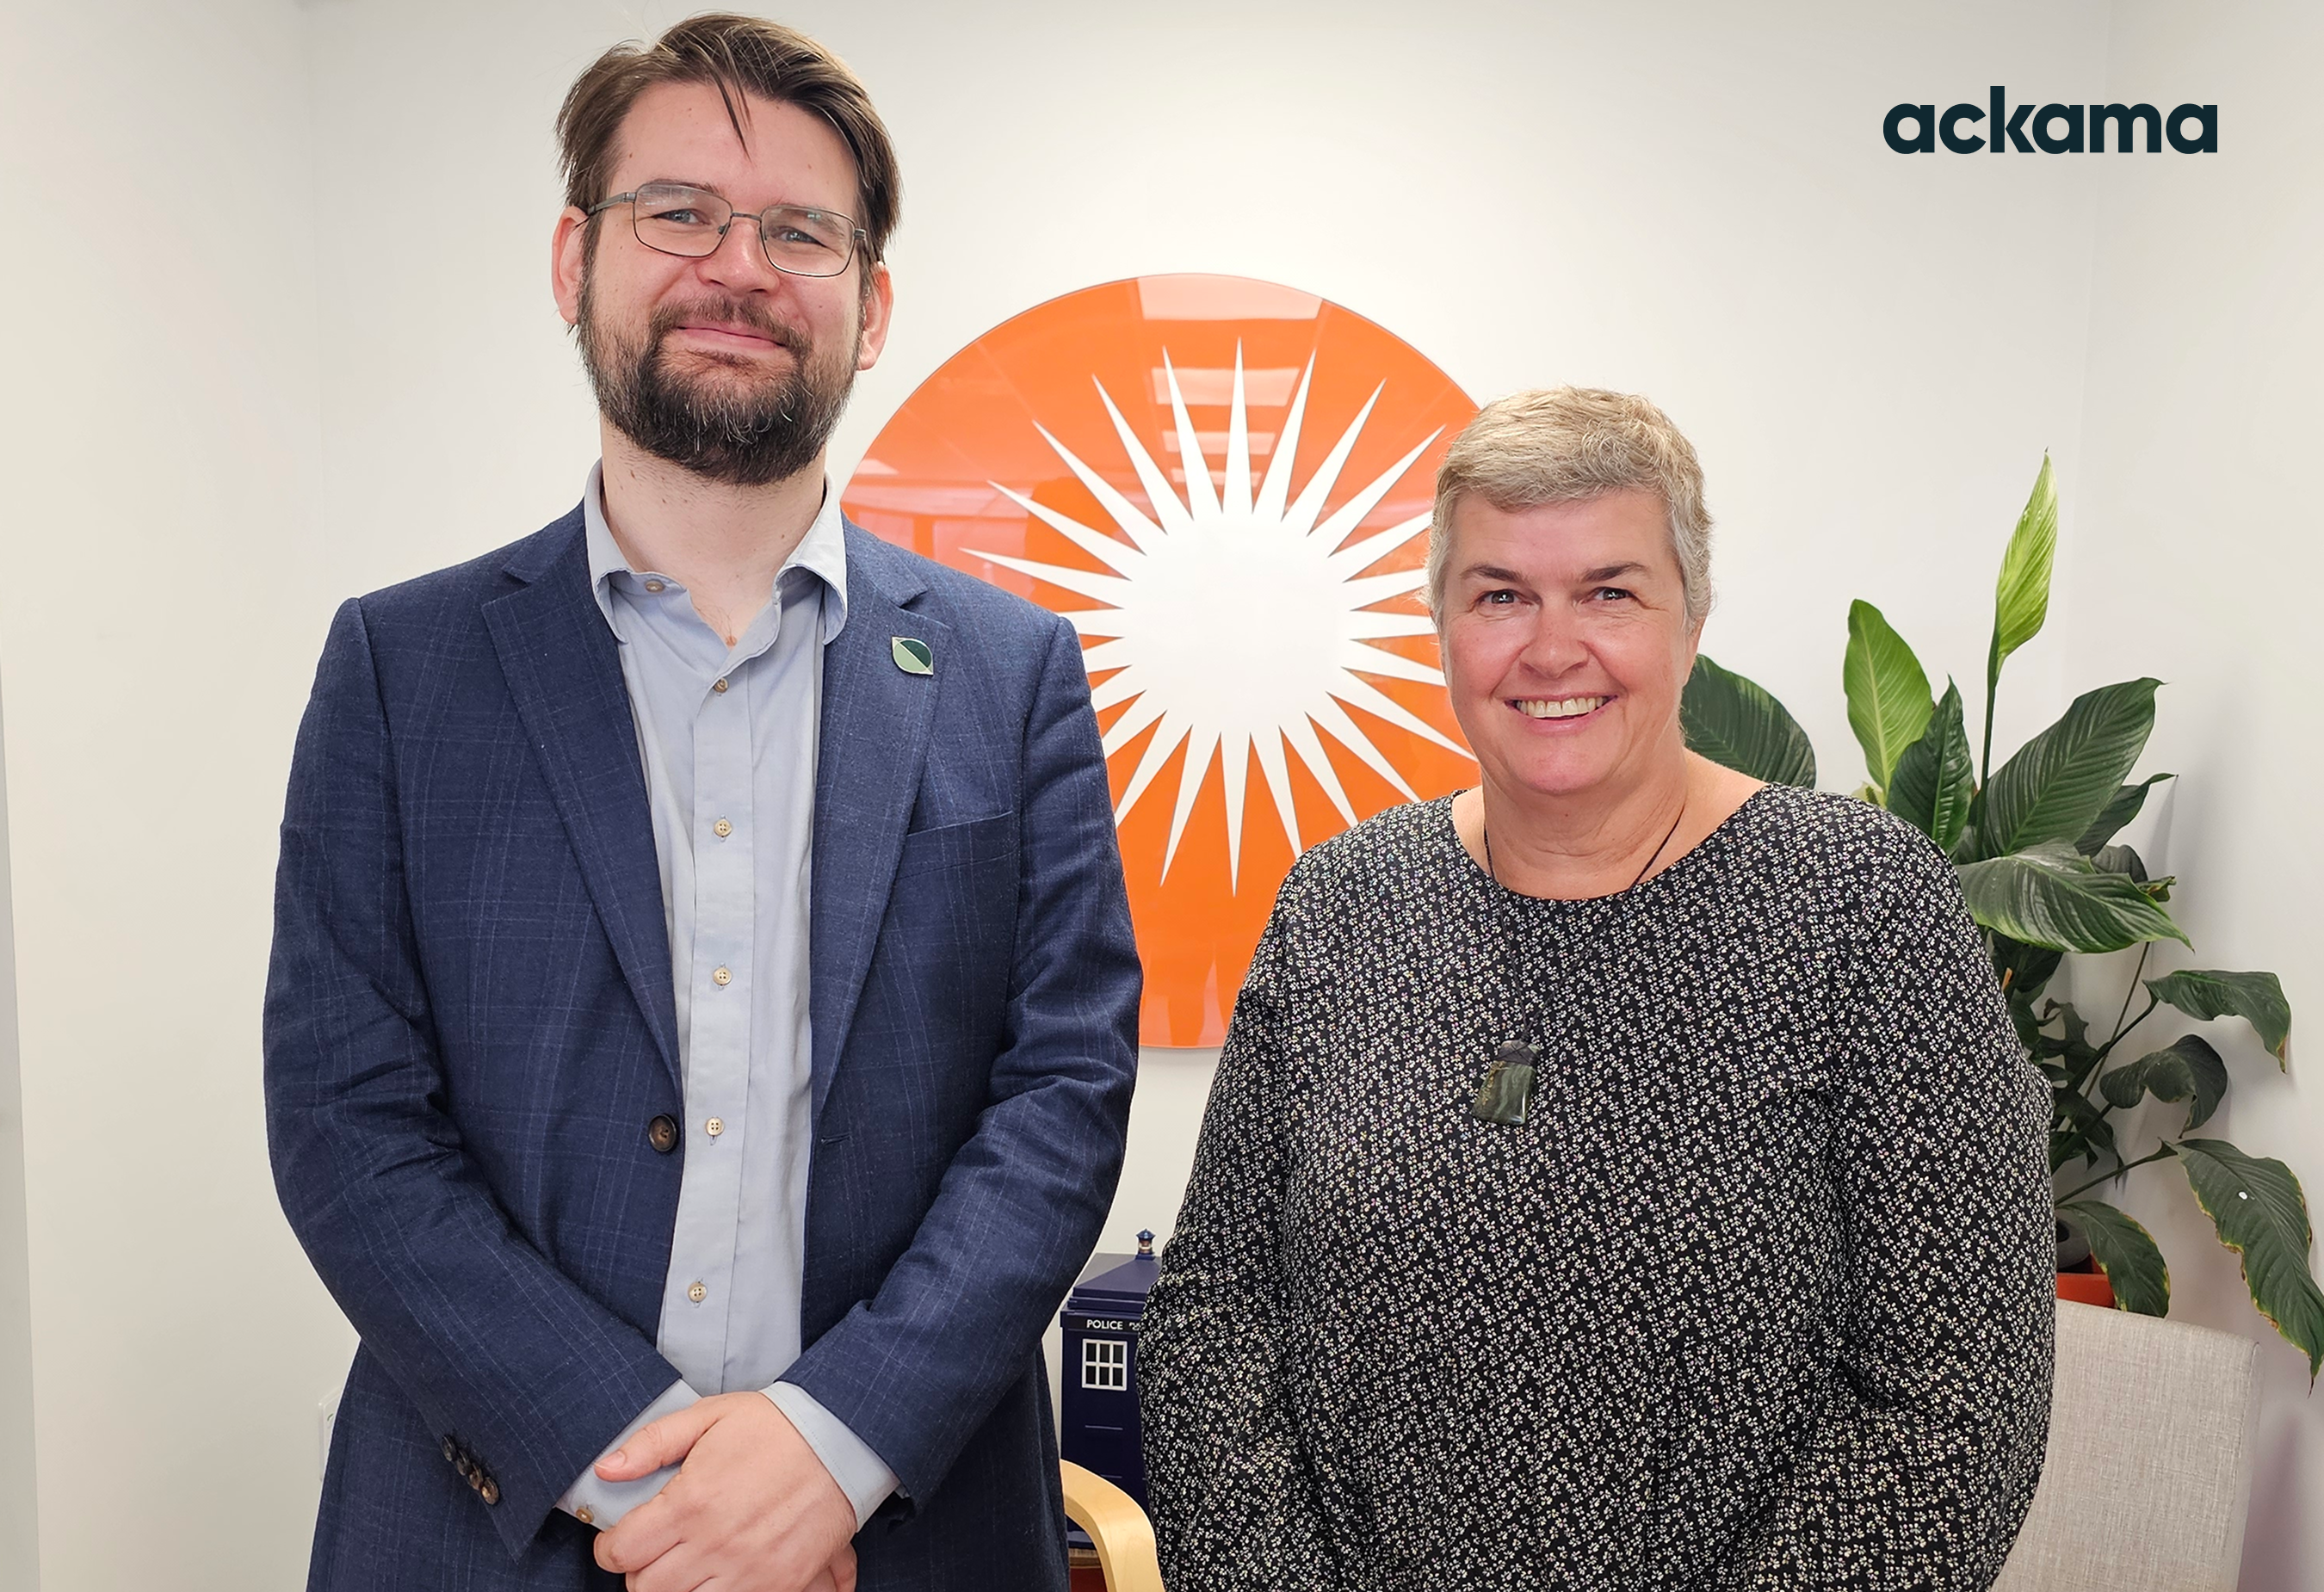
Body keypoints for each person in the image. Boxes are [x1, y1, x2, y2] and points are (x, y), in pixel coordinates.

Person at [263, 15, 1140, 1592]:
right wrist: (649, 1470)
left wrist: (827, 1447)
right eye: (676, 210)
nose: (736, 264)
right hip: (488, 1526)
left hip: (901, 1537)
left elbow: (1062, 1096)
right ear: (572, 259)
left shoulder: (1015, 673)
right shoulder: (401, 668)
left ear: (869, 307)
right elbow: (347, 1123)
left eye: (799, 230)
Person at [1137, 387, 2054, 1589]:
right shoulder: (1340, 906)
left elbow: (1957, 1397)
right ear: (1443, 627)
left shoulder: (1864, 904)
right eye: (1500, 593)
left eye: (1609, 591)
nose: (1551, 646)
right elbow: (1212, 1310)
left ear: (1693, 617)